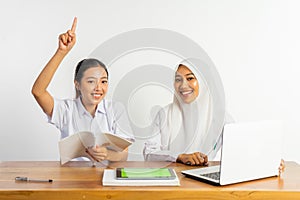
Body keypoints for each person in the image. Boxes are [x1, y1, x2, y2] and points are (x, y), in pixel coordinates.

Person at [31, 17, 134, 163]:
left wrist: (106, 154)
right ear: (77, 84)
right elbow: (38, 91)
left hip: (105, 179)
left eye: (103, 81)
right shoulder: (66, 110)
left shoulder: (115, 109)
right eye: (91, 81)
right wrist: (61, 52)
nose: (99, 87)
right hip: (72, 179)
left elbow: (124, 155)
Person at [144, 59, 221, 166]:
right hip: (172, 178)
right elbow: (149, 154)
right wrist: (179, 156)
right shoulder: (164, 114)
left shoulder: (221, 119)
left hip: (207, 179)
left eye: (190, 78)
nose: (183, 85)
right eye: (178, 79)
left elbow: (229, 159)